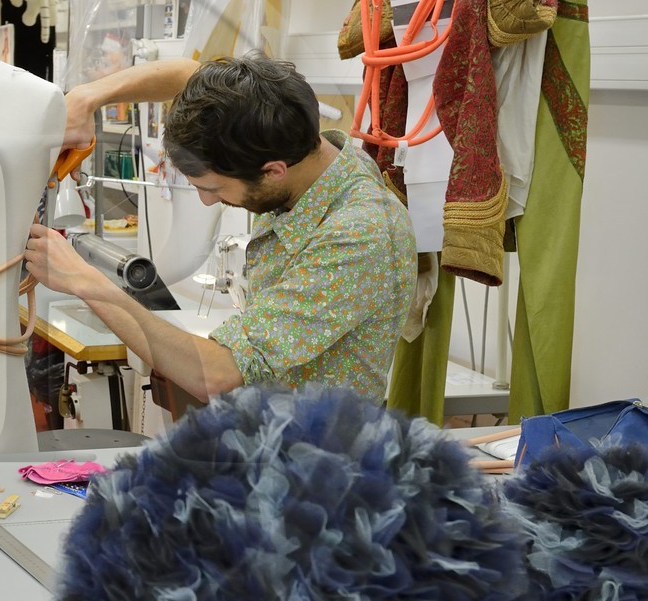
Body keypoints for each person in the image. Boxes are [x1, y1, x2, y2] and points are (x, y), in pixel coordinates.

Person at [24, 51, 415, 405]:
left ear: (273, 171)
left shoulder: (360, 231)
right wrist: (85, 99)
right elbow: (184, 74)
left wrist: (84, 282)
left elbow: (213, 374)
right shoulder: (286, 146)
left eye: (213, 188)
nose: (208, 201)